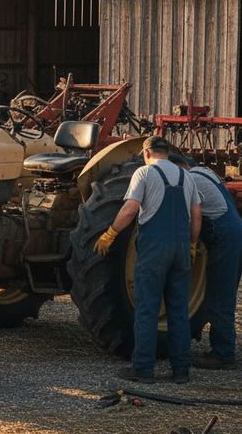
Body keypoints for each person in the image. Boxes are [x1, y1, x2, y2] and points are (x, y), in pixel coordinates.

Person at [93, 136, 201, 383]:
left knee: (147, 310)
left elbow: (130, 209)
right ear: (166, 152)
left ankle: (143, 369)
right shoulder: (187, 177)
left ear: (147, 153)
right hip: (181, 248)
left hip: (155, 249)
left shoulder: (144, 173)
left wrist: (110, 233)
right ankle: (181, 370)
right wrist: (192, 245)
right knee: (178, 310)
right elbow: (197, 216)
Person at [171, 154, 241, 370]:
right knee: (220, 294)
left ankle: (223, 354)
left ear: (180, 167)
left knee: (220, 296)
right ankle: (221, 348)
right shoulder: (207, 173)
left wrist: (190, 244)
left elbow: (194, 215)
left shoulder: (190, 179)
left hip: (224, 237)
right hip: (231, 232)